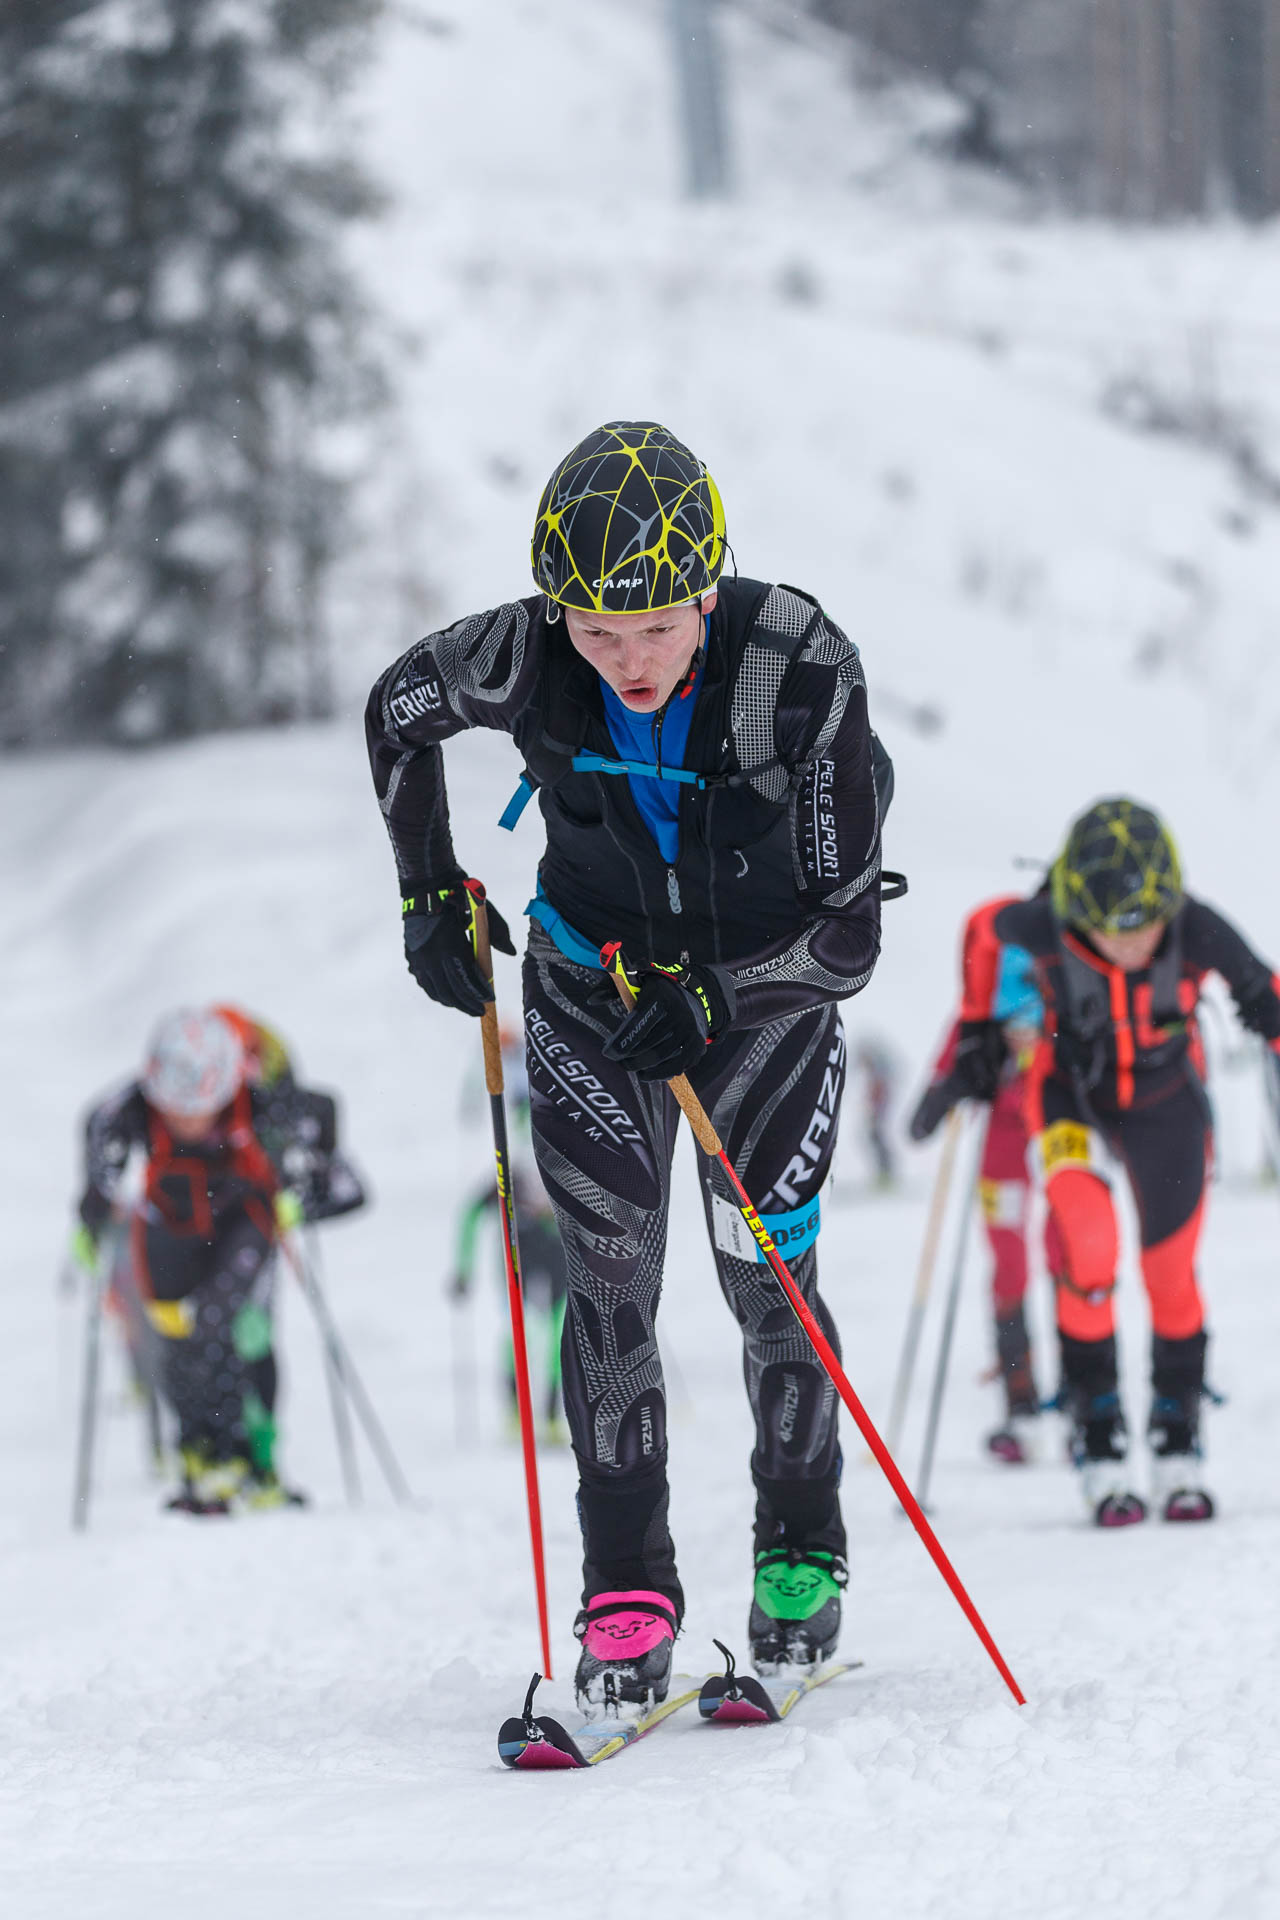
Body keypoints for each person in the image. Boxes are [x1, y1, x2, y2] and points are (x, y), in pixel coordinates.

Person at [367, 419, 893, 1710]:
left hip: (765, 1000)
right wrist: (429, 892)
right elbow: (396, 712)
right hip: (584, 981)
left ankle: (801, 1552)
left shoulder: (801, 669)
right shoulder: (522, 651)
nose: (629, 659)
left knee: (764, 1273)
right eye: (597, 633)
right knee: (607, 1274)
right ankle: (626, 1584)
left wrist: (716, 993)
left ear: (705, 594)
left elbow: (848, 937)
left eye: (658, 627)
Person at [955, 799, 1280, 1526]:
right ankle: (1098, 1435)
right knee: (1089, 1246)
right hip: (1072, 1099)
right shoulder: (1043, 923)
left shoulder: (1195, 924)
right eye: (1112, 931)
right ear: (1076, 910)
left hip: (1167, 1107)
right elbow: (983, 929)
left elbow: (1266, 988)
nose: (1132, 946)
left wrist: (1267, 1013)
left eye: (1147, 928)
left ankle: (1177, 1439)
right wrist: (976, 1029)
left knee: (1170, 1274)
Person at [73, 1007, 366, 1514]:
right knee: (174, 1332)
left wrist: (301, 1192)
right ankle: (200, 1454)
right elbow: (99, 1141)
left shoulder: (264, 1102)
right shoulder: (131, 1107)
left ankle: (255, 1457)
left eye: (199, 1108)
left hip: (243, 1221)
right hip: (172, 1222)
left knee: (230, 1326)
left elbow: (343, 1179)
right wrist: (94, 1211)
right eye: (174, 1109)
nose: (185, 1119)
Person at [910, 938, 1065, 1465]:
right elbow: (952, 1059)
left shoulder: (1066, 996)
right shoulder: (980, 1012)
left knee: (1070, 1250)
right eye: (1014, 1027)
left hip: (1056, 1129)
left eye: (1031, 1027)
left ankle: (1078, 1394)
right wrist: (940, 1095)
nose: (1022, 1038)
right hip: (1002, 1139)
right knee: (1009, 1265)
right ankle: (1020, 1399)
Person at [451, 1023, 569, 1441]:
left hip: (553, 1244)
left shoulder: (557, 1155)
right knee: (518, 1328)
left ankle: (551, 1416)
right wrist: (461, 1270)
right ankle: (517, 1414)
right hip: (523, 1243)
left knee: (556, 1331)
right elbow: (472, 1211)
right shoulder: (512, 1166)